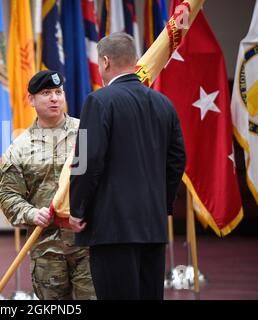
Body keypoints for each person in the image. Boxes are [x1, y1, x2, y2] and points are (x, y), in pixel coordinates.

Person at [69, 32, 186, 300]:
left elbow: (88, 159)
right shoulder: (164, 103)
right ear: (133, 61)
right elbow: (177, 159)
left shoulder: (98, 101)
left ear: (106, 62)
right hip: (152, 227)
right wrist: (162, 203)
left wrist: (78, 208)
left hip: (112, 229)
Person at [0, 70, 96, 300]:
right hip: (46, 250)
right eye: (46, 93)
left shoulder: (87, 134)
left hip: (88, 246)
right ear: (31, 100)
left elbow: (107, 181)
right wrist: (31, 213)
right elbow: (7, 194)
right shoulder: (19, 147)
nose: (54, 98)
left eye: (58, 92)